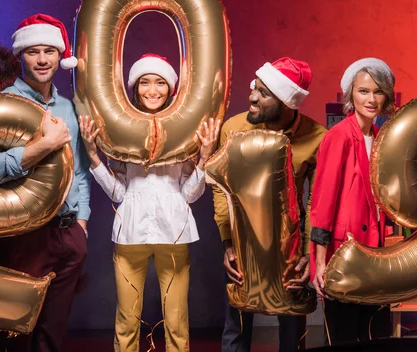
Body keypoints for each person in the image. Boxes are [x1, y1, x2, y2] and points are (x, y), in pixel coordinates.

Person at [79, 53, 220, 352]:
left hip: (175, 234)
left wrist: (204, 158)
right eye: (145, 82)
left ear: (171, 89)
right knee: (127, 320)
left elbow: (189, 196)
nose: (152, 90)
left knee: (177, 321)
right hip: (130, 235)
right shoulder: (120, 132)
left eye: (160, 83)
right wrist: (93, 155)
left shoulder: (183, 131)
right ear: (135, 87)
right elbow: (119, 193)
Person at [0, 13, 91, 352]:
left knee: (53, 334)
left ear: (60, 56)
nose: (42, 60)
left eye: (49, 51)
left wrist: (82, 223)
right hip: (23, 234)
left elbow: (81, 172)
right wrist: (41, 146)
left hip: (68, 233)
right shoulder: (3, 105)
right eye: (33, 51)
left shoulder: (68, 108)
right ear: (20, 55)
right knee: (17, 334)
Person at [212, 57, 327, 352]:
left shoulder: (316, 138)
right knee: (236, 328)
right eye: (255, 88)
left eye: (263, 93)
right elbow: (223, 191)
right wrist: (228, 243)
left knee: (292, 331)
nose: (251, 96)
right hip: (242, 244)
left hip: (289, 248)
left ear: (287, 102)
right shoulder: (234, 129)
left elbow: (316, 201)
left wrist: (307, 254)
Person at [310, 57, 396, 345]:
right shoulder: (338, 136)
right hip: (343, 253)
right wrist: (319, 263)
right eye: (363, 91)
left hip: (374, 251)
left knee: (376, 336)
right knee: (344, 339)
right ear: (351, 95)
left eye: (378, 91)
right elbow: (322, 202)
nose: (371, 99)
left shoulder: (381, 137)